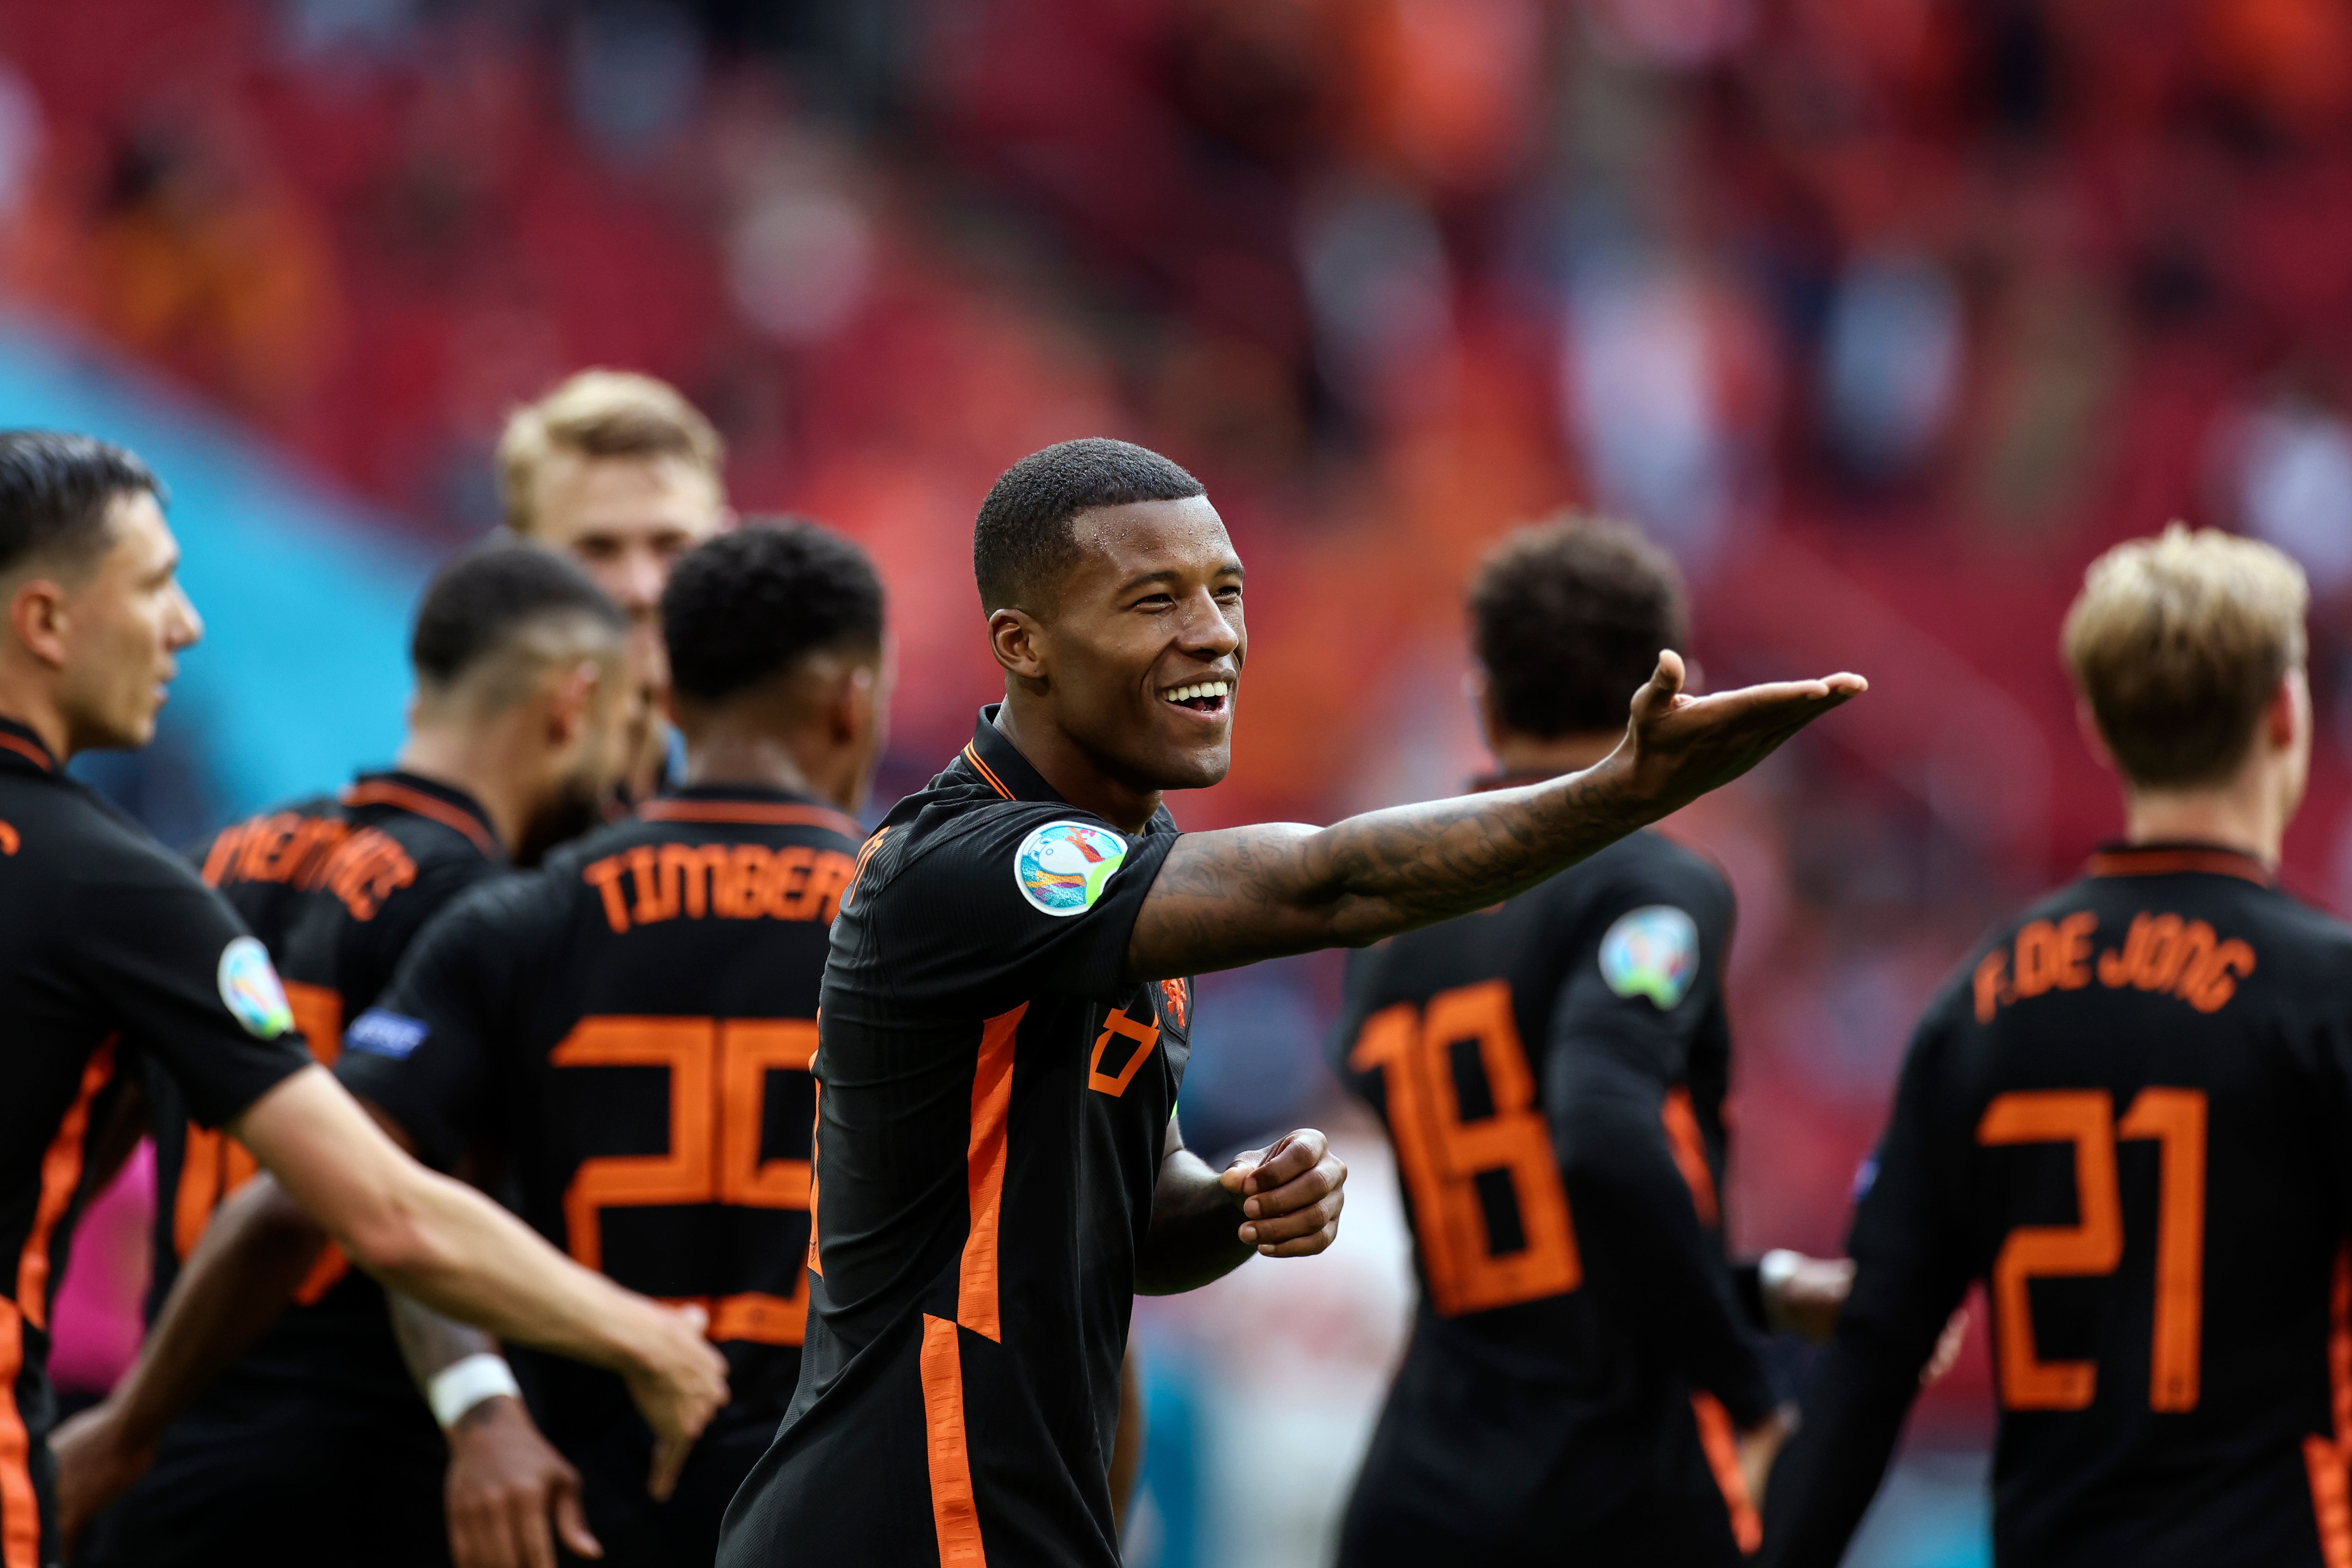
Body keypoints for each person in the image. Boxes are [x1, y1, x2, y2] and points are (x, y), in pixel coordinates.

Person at [715, 437, 1864, 1568]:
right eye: (1152, 600)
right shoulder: (970, 865)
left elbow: (1135, 1223)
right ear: (1025, 646)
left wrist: (1229, 1204)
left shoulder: (1127, 864)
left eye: (1225, 592)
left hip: (1012, 1507)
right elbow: (1330, 883)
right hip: (908, 1510)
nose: (1211, 634)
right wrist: (1618, 793)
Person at [0, 430, 727, 1568]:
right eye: (154, 589)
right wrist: (593, 1361)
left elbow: (83, 1139)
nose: (186, 626)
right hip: (356, 1472)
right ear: (572, 704)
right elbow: (369, 1201)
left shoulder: (217, 859)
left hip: (172, 1447)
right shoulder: (474, 910)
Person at [1759, 526, 2350, 1567]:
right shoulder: (2322, 994)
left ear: (2097, 724)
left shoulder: (1978, 1002)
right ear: (2283, 715)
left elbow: (1873, 1355)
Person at [341, 520, 890, 1567]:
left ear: (667, 696)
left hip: (577, 1518)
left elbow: (361, 1177)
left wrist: (478, 1400)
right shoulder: (931, 926)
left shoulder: (523, 918)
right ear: (852, 698)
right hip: (850, 1515)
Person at [1329, 516, 1853, 1568]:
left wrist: (1759, 1285)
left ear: (1482, 695)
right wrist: (1747, 1385)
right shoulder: (1649, 882)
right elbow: (1601, 1138)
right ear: (1677, 692)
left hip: (1416, 1490)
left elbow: (1521, 1254)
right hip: (1614, 1492)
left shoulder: (1393, 921)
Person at [497, 370, 730, 805]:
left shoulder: (752, 828)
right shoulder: (455, 845)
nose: (642, 589)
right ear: (518, 566)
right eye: (597, 549)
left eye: (672, 547)